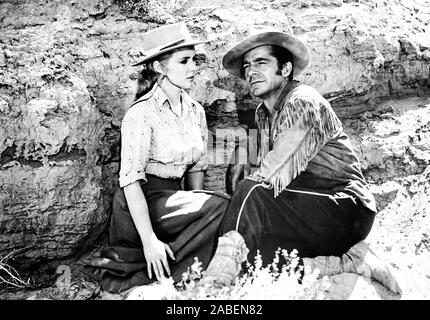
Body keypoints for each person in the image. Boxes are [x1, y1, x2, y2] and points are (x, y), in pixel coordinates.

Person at [199, 26, 401, 294]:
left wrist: (242, 194)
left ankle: (215, 287)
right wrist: (241, 154)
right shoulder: (264, 112)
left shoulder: (302, 101)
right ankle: (347, 262)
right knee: (254, 247)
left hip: (345, 208)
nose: (250, 72)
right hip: (309, 210)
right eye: (247, 66)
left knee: (252, 192)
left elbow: (275, 169)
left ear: (285, 69)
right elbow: (263, 152)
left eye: (261, 62)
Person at [84, 23, 231, 294]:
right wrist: (150, 240)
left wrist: (195, 212)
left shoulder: (195, 111)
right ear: (160, 67)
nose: (193, 67)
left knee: (222, 206)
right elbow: (130, 183)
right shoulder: (141, 114)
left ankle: (171, 267)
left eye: (194, 60)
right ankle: (150, 263)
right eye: (184, 61)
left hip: (174, 201)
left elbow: (195, 171)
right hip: (140, 201)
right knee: (221, 205)